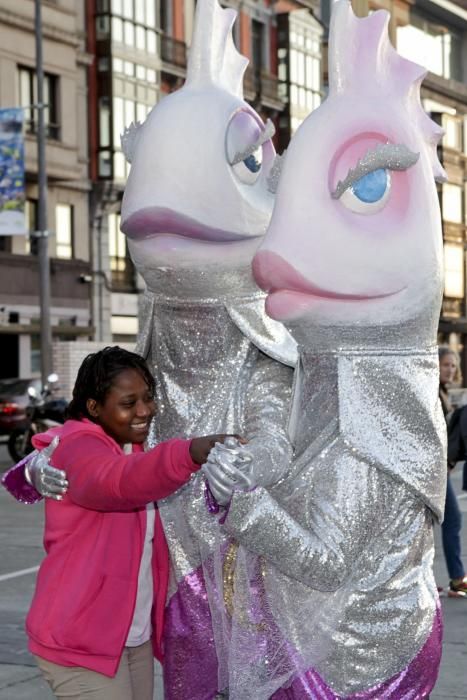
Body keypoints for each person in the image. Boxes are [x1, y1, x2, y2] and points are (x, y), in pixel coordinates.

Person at [26, 346, 238, 700]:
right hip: (79, 644)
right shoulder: (78, 449)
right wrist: (187, 454)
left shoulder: (129, 445)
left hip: (130, 638)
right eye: (129, 403)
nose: (144, 411)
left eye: (148, 398)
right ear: (94, 407)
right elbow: (117, 482)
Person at [438, 344, 467, 596]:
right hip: (433, 469)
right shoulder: (432, 392)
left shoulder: (444, 393)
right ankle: (457, 579)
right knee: (453, 519)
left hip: (438, 467)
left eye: (453, 365)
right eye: (446, 364)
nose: (451, 369)